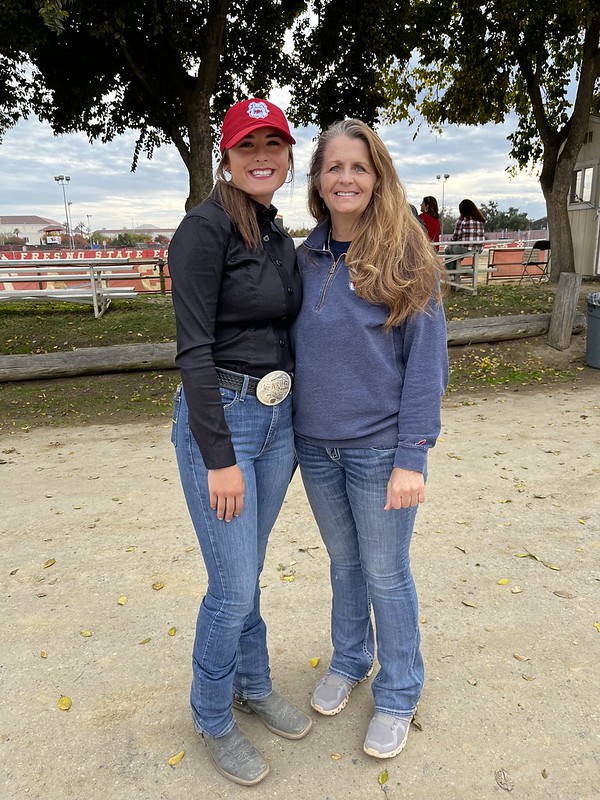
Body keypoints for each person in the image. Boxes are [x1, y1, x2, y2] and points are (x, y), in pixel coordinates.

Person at [292, 119, 449, 760]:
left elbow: (426, 364)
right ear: (318, 181)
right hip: (315, 447)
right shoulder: (304, 259)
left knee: (386, 573)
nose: (346, 178)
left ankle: (399, 690)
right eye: (334, 167)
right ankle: (351, 657)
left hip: (381, 451)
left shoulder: (408, 257)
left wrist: (412, 456)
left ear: (378, 176)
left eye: (359, 167)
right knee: (345, 563)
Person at [168, 97, 311, 787]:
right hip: (222, 420)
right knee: (231, 587)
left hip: (278, 421)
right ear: (226, 154)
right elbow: (193, 352)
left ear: (288, 156)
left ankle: (253, 684)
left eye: (274, 144)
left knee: (248, 569)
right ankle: (211, 712)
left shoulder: (277, 233)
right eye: (248, 143)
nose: (263, 155)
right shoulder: (204, 230)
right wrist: (219, 458)